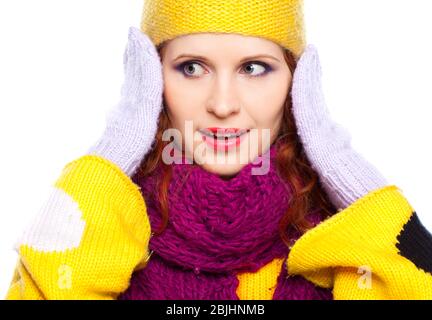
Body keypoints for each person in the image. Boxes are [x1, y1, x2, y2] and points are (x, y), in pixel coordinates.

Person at [5, 0, 432, 300]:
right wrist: (116, 147)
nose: (223, 104)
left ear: (297, 83)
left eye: (254, 68)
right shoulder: (113, 236)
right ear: (151, 79)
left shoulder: (341, 245)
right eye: (191, 68)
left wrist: (342, 165)